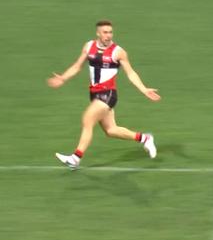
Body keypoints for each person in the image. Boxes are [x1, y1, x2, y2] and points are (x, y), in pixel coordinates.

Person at [47, 20, 160, 169]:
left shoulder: (118, 52)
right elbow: (77, 66)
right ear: (98, 33)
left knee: (87, 119)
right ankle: (145, 138)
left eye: (110, 32)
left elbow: (131, 73)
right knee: (111, 130)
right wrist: (62, 78)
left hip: (108, 94)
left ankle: (76, 157)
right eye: (105, 32)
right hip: (94, 94)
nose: (108, 35)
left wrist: (144, 89)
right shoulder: (89, 46)